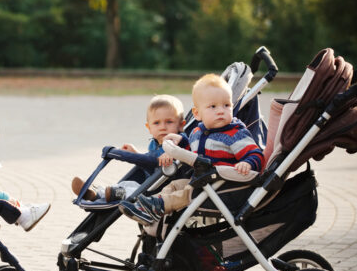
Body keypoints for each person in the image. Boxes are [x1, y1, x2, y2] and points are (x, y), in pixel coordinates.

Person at [119, 73, 265, 225]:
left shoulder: (235, 134)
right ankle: (150, 208)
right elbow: (192, 152)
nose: (221, 111)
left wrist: (248, 163)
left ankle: (157, 207)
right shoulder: (197, 132)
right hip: (202, 182)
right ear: (197, 114)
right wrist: (181, 142)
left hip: (224, 186)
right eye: (213, 106)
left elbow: (255, 153)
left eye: (226, 105)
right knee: (174, 185)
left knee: (187, 193)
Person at [71, 94, 188, 202]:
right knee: (127, 184)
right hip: (149, 184)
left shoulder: (178, 139)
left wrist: (174, 152)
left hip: (164, 191)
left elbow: (184, 145)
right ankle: (96, 194)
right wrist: (136, 154)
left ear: (181, 125)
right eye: (156, 123)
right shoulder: (154, 144)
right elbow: (150, 162)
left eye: (169, 122)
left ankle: (107, 194)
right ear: (149, 127)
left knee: (133, 190)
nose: (163, 127)